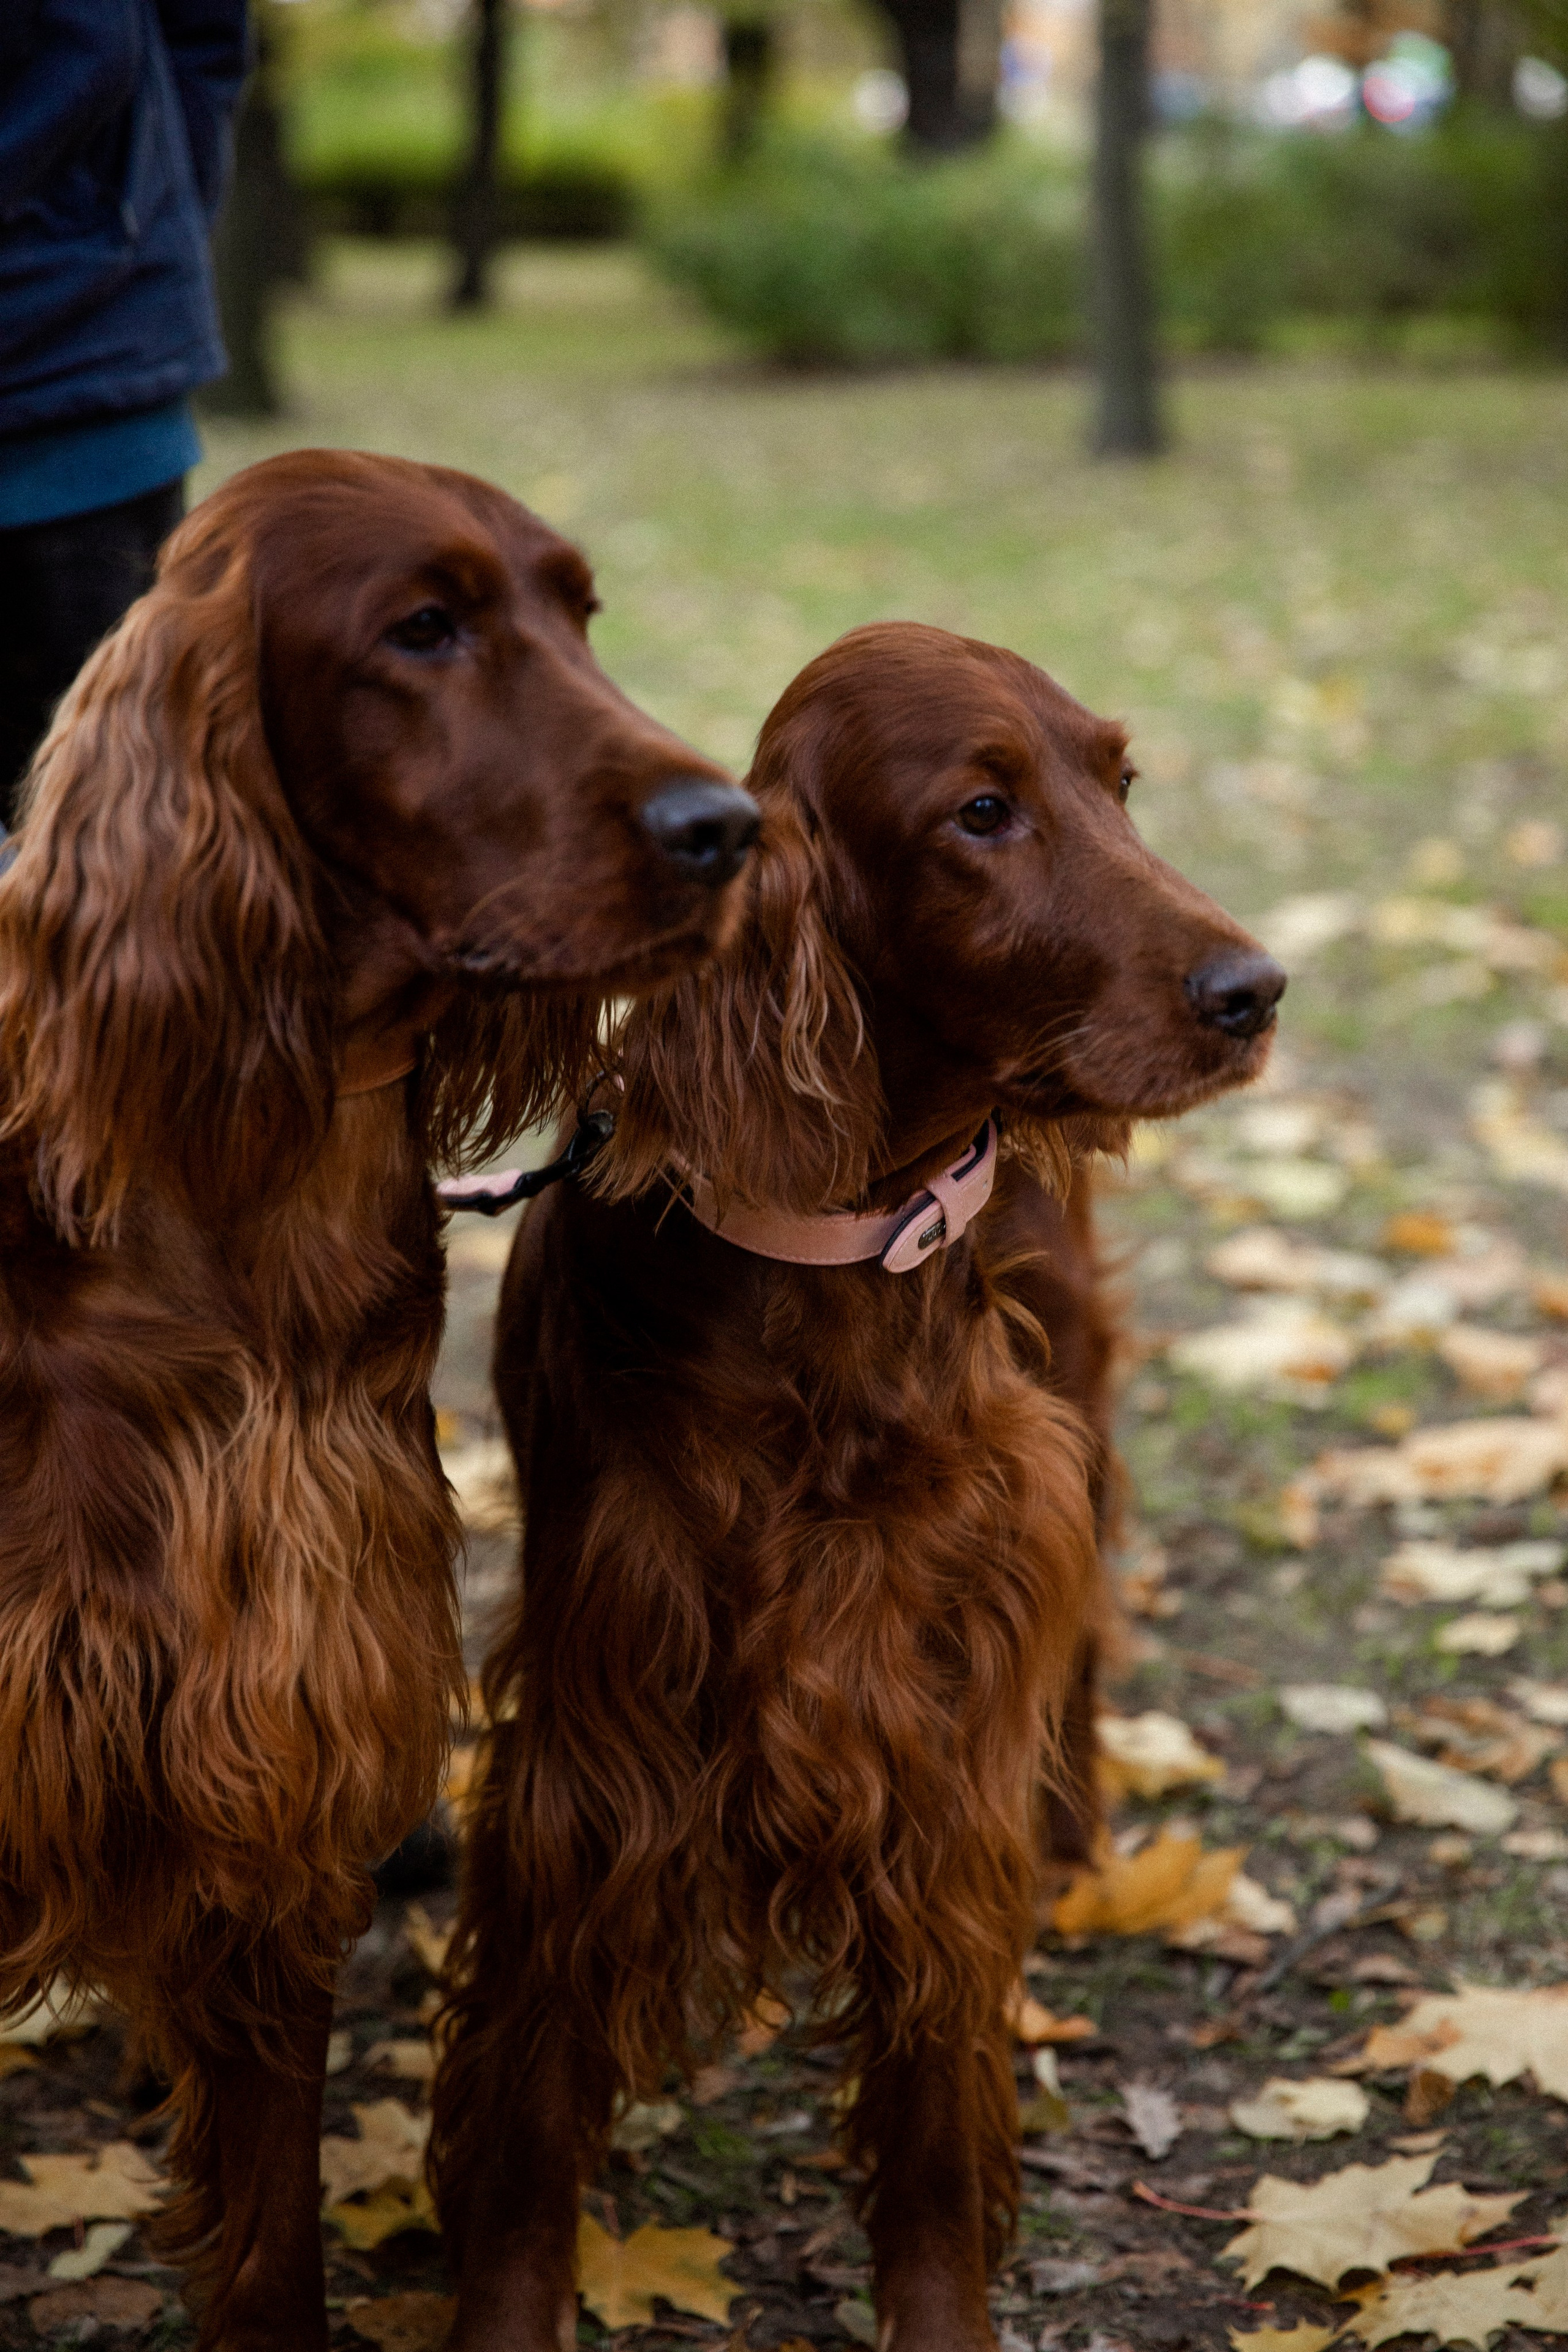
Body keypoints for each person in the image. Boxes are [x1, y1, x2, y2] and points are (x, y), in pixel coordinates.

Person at [0, 0, 251, 829]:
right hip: (95, 327)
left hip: (76, 386)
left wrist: (137, 214)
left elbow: (202, 35)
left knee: (105, 849)